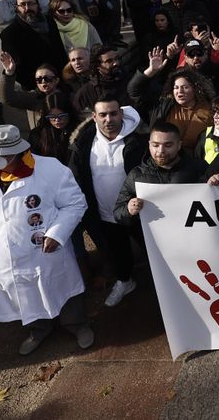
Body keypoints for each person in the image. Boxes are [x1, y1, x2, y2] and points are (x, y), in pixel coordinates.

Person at [0, 125, 94, 356]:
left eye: (3, 158)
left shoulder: (50, 169)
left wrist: (56, 233)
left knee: (61, 288)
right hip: (4, 255)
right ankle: (38, 329)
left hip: (43, 251)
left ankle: (77, 325)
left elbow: (75, 204)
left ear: (18, 152)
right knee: (22, 295)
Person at [66, 97, 147, 308]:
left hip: (141, 213)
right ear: (94, 117)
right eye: (102, 114)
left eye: (113, 113)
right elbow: (75, 178)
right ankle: (125, 281)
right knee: (117, 253)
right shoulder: (82, 145)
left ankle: (166, 287)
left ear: (121, 113)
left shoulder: (138, 142)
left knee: (153, 252)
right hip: (104, 214)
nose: (108, 119)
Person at [114, 121, 208, 225]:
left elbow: (215, 202)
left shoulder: (199, 168)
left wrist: (217, 183)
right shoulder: (137, 174)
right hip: (152, 239)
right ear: (149, 145)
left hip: (192, 235)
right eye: (156, 145)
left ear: (179, 145)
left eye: (168, 145)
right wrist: (129, 210)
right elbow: (118, 213)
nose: (161, 150)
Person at [0, 0, 67, 90]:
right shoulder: (9, 34)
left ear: (37, 5)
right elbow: (17, 69)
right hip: (37, 87)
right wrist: (41, 84)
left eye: (31, 3)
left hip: (61, 81)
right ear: (17, 8)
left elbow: (60, 50)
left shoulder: (49, 21)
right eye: (22, 5)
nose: (27, 8)